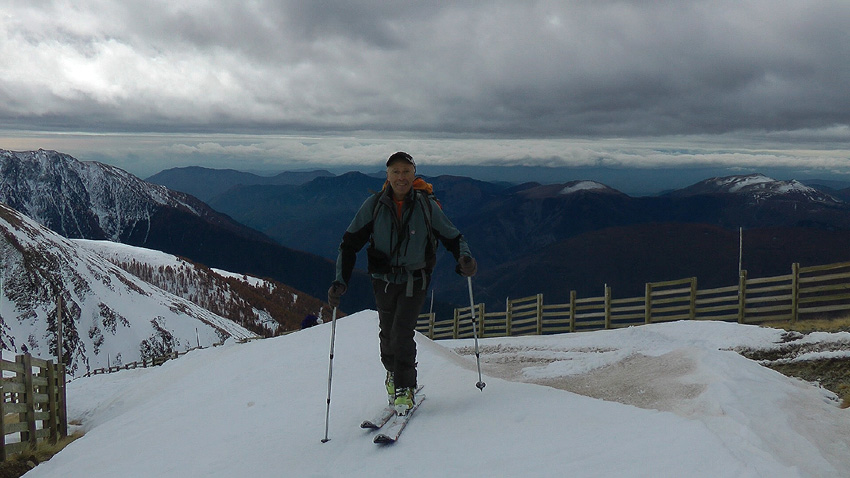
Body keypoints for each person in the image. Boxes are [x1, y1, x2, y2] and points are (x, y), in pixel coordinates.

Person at [328, 151, 477, 415]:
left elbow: (453, 237)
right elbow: (349, 244)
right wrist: (340, 281)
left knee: (401, 332)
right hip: (383, 281)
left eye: (406, 172)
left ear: (414, 174)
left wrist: (464, 258)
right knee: (387, 333)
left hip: (415, 279)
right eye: (396, 172)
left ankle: (405, 385)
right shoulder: (373, 206)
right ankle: (392, 374)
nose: (401, 177)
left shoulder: (425, 206)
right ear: (387, 176)